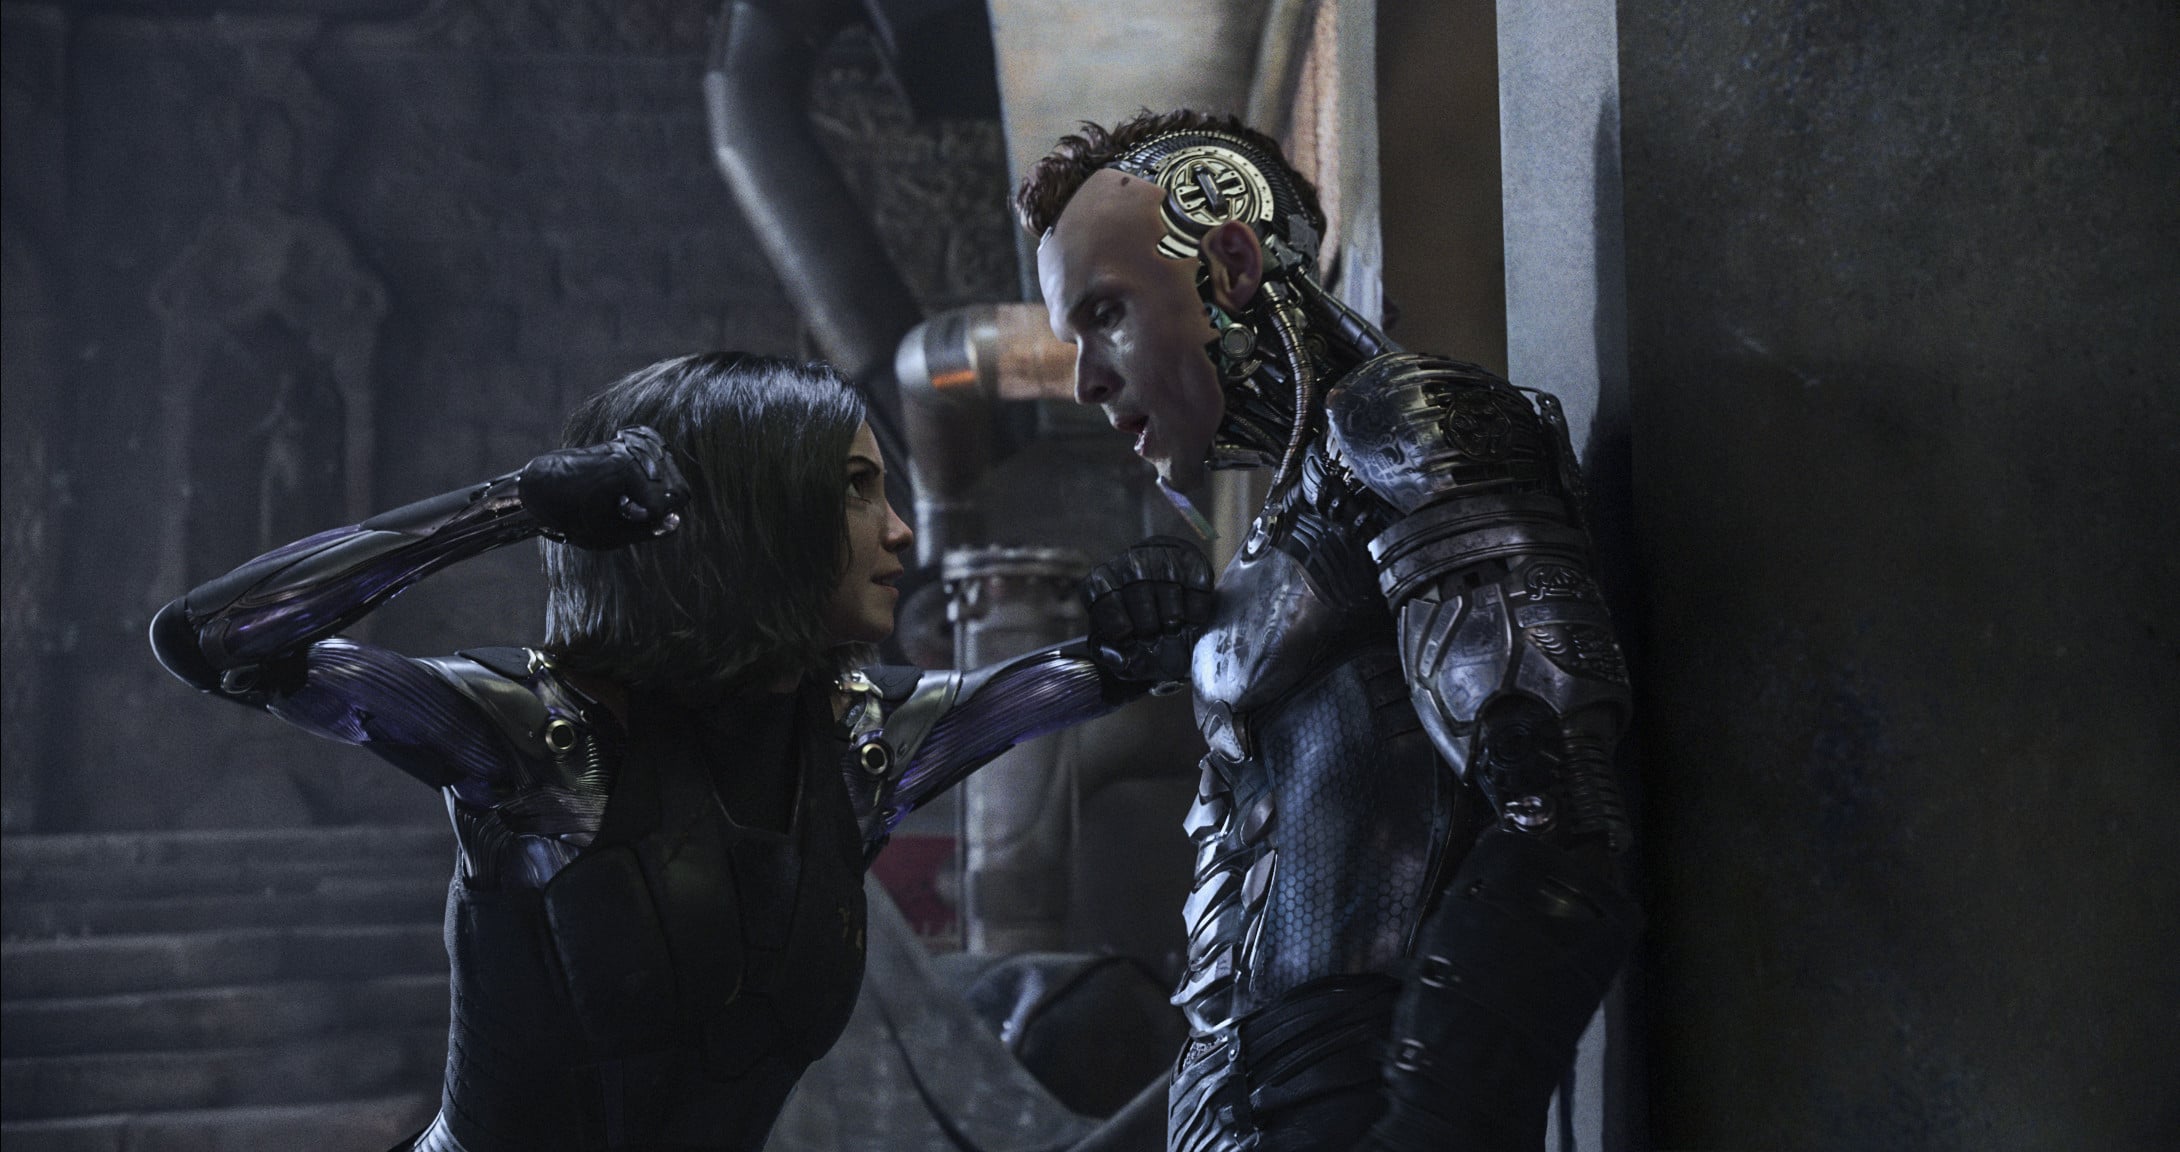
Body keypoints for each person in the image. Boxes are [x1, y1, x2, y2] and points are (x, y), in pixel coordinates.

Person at [149, 352, 1212, 1152]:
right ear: (751, 512)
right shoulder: (545, 737)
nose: (898, 531)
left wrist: (1153, 618)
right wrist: (513, 507)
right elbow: (216, 640)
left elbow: (1110, 668)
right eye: (854, 488)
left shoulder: (860, 741)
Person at [1017, 112, 1641, 1151]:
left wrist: (1431, 1127)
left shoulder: (1404, 424)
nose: (1086, 379)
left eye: (1105, 313)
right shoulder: (1289, 519)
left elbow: (1558, 814)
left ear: (1229, 263)